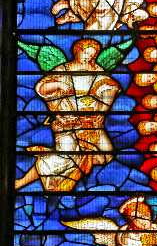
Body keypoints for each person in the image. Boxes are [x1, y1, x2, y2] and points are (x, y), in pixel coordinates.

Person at [16, 39, 121, 192]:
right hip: (66, 123)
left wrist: (102, 110)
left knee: (105, 155)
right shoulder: (63, 70)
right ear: (77, 51)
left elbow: (110, 87)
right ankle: (21, 182)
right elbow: (42, 88)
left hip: (91, 125)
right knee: (66, 157)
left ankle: (67, 169)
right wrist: (59, 85)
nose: (88, 57)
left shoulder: (97, 71)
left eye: (92, 55)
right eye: (86, 53)